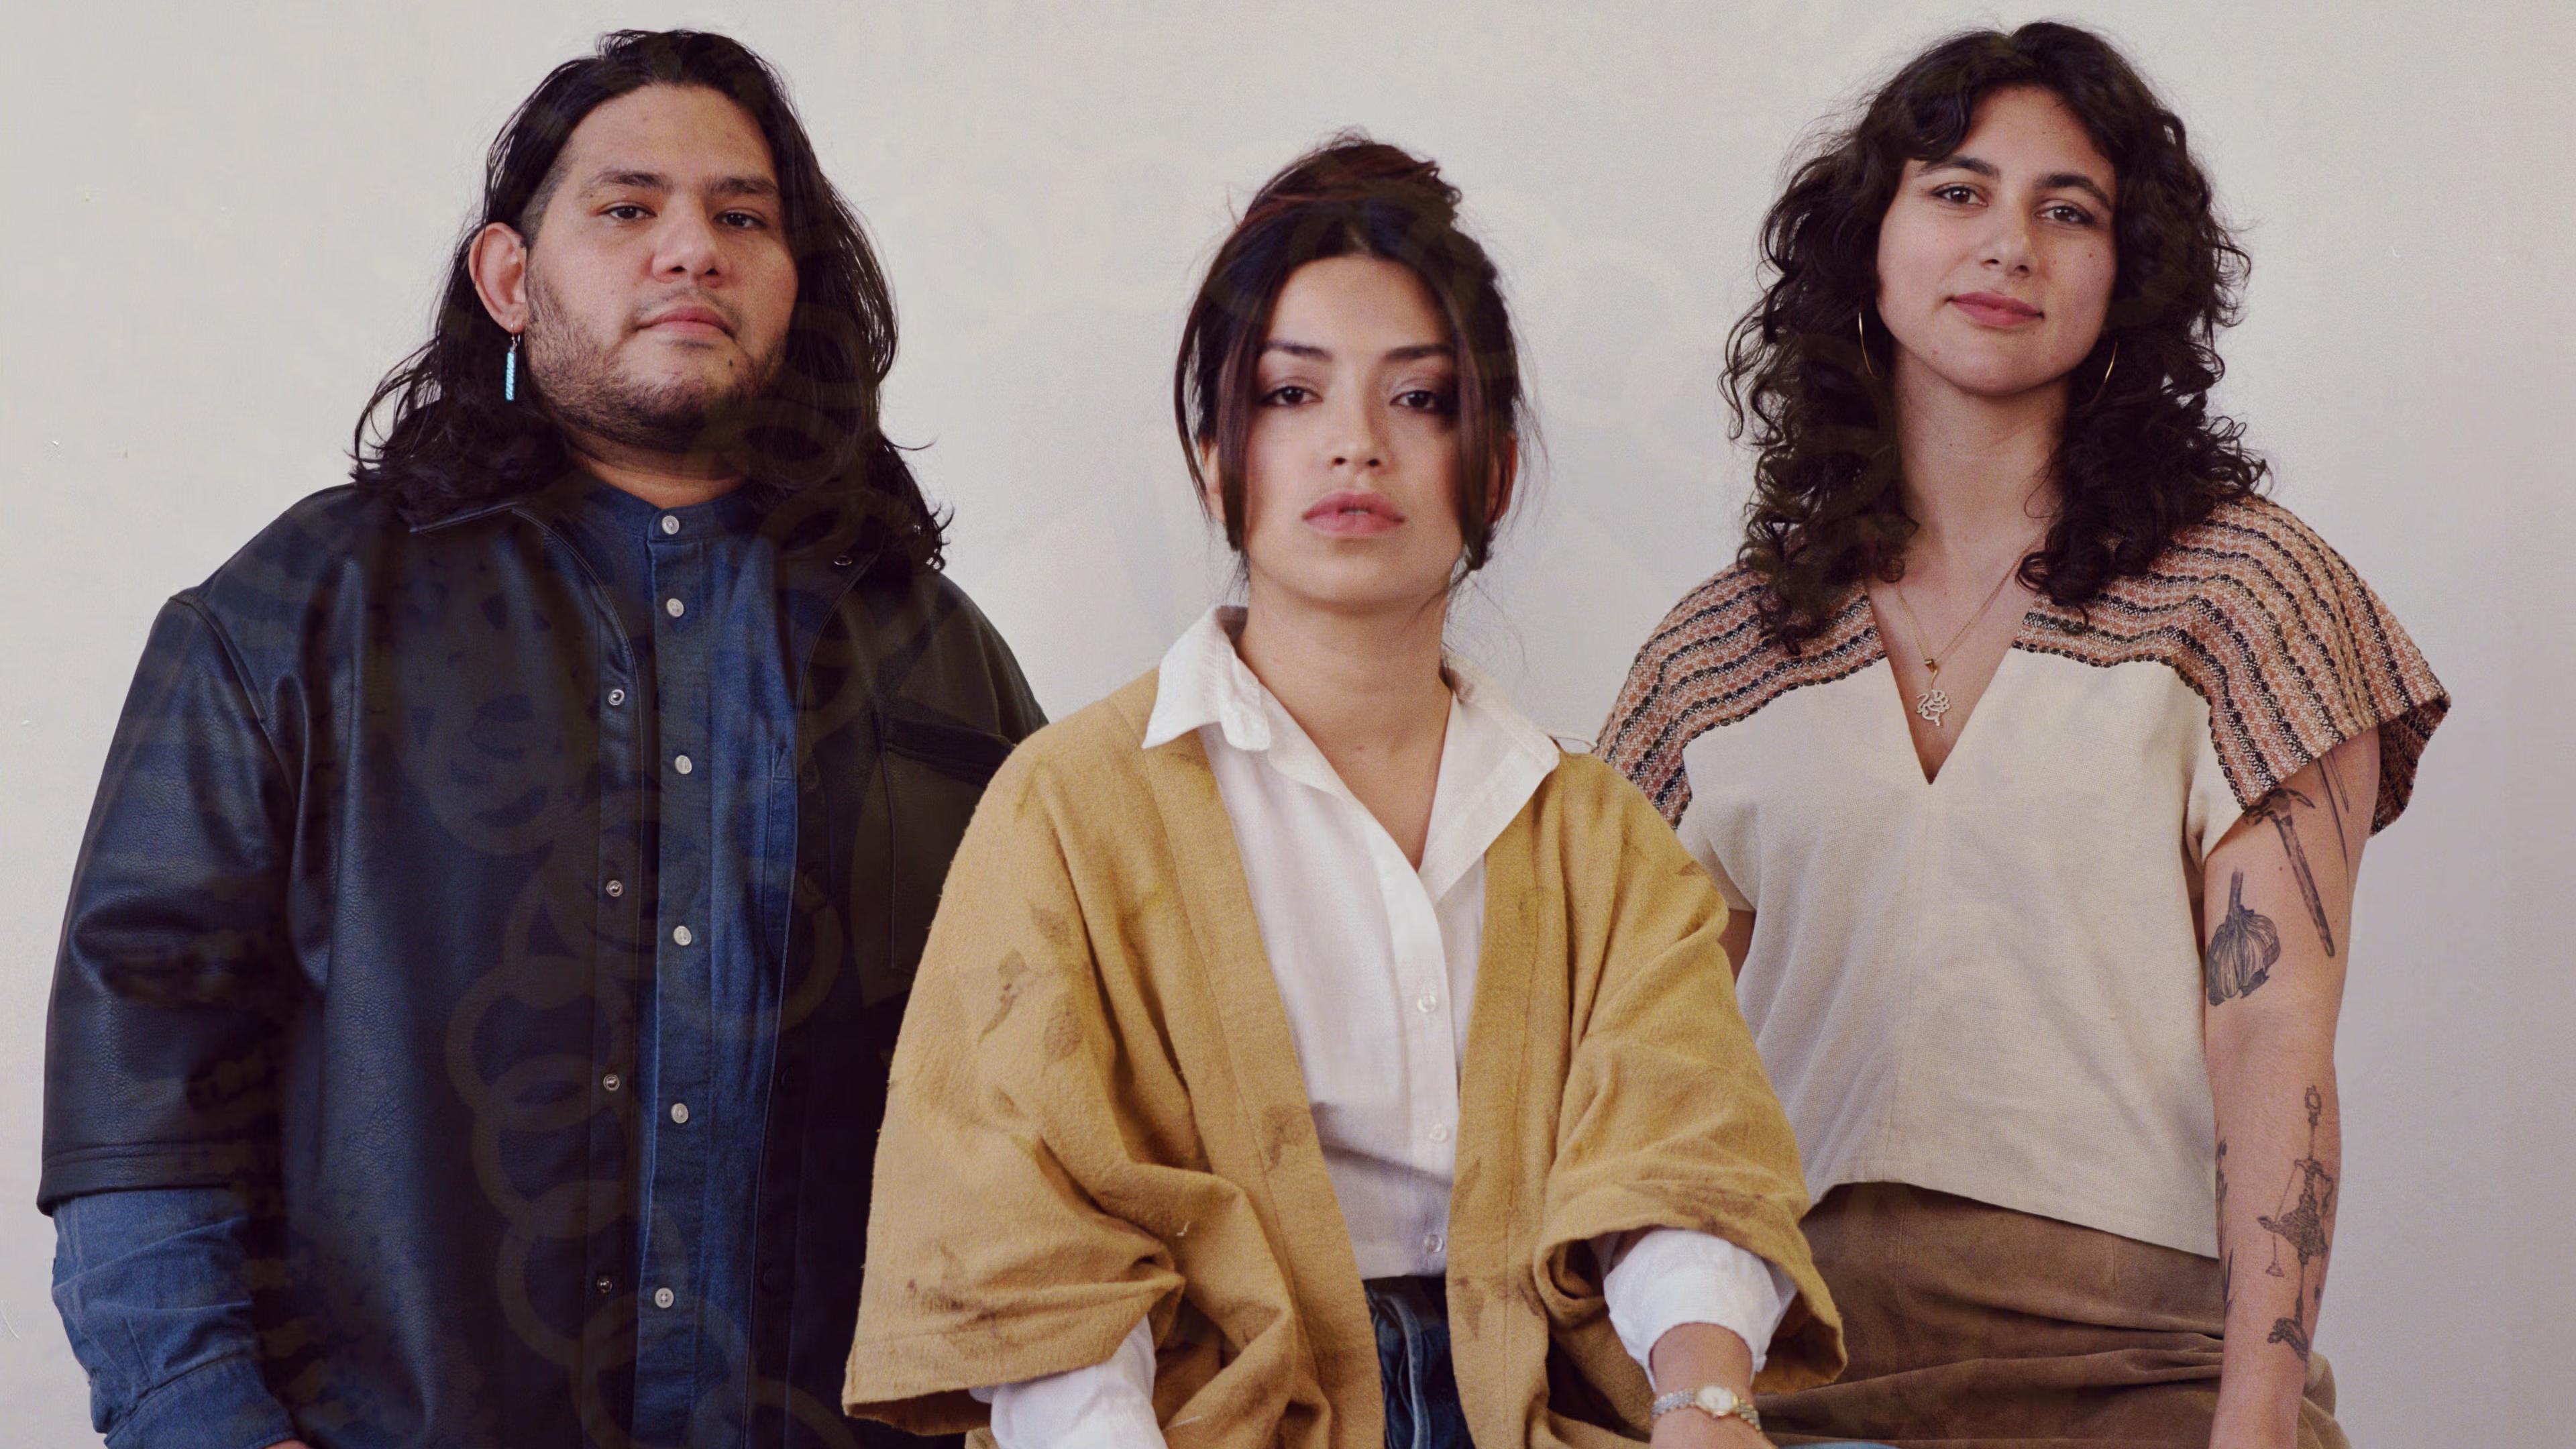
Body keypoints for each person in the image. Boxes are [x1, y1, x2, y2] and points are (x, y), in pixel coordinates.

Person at [41, 30, 1038, 1449]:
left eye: (743, 218)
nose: (691, 249)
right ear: (510, 278)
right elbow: (143, 1094)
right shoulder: (298, 617)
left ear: (794, 284)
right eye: (628, 208)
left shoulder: (941, 658)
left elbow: (1048, 1107)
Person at [841, 138, 1861, 1449]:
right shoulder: (1067, 809)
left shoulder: (1596, 830)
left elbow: (1684, 1155)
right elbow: (1023, 1241)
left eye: (1421, 399)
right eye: (1292, 394)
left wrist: (1705, 1404)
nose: (1357, 446)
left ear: (1492, 473)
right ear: (1217, 462)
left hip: (1542, 1408)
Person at [1599, 23, 2447, 1449]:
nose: (2010, 245)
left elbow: (2273, 1036)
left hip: (2139, 1367)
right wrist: (1695, 1396)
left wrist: (2253, 1422)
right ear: (1868, 246)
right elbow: (1640, 1078)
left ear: (2128, 276)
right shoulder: (1718, 653)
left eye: (2070, 211)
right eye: (1957, 192)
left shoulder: (2249, 596)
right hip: (1786, 1367)